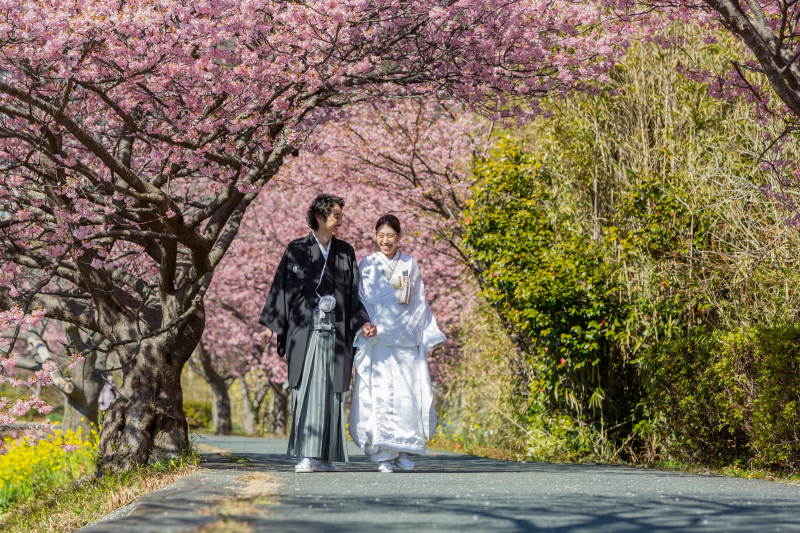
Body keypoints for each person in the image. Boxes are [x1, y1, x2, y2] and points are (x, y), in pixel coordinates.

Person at [258, 194, 377, 473]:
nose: (340, 221)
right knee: (309, 389)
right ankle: (307, 455)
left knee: (333, 392)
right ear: (321, 217)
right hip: (306, 329)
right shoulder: (297, 249)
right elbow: (282, 288)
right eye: (336, 216)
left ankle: (326, 456)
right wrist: (270, 325)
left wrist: (363, 322)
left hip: (336, 330)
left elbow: (353, 293)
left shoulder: (345, 251)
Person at [349, 214, 446, 473]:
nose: (385, 241)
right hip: (377, 342)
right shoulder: (367, 264)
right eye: (380, 235)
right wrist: (366, 326)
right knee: (379, 397)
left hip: (403, 342)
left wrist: (406, 332)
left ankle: (404, 450)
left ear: (399, 236)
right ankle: (382, 454)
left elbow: (418, 304)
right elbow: (359, 301)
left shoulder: (410, 264)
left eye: (390, 235)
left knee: (406, 396)